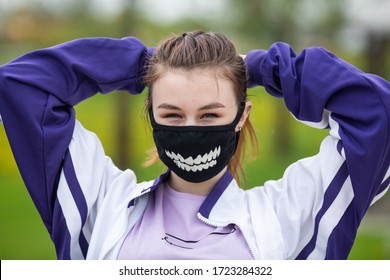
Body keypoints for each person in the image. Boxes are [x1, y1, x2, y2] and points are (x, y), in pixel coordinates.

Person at [0, 31, 389, 260]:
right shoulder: (100, 204)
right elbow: (21, 86)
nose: (190, 129)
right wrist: (149, 66)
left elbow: (377, 112)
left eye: (209, 115)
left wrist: (255, 67)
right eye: (171, 115)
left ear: (242, 115)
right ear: (150, 114)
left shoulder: (292, 213)